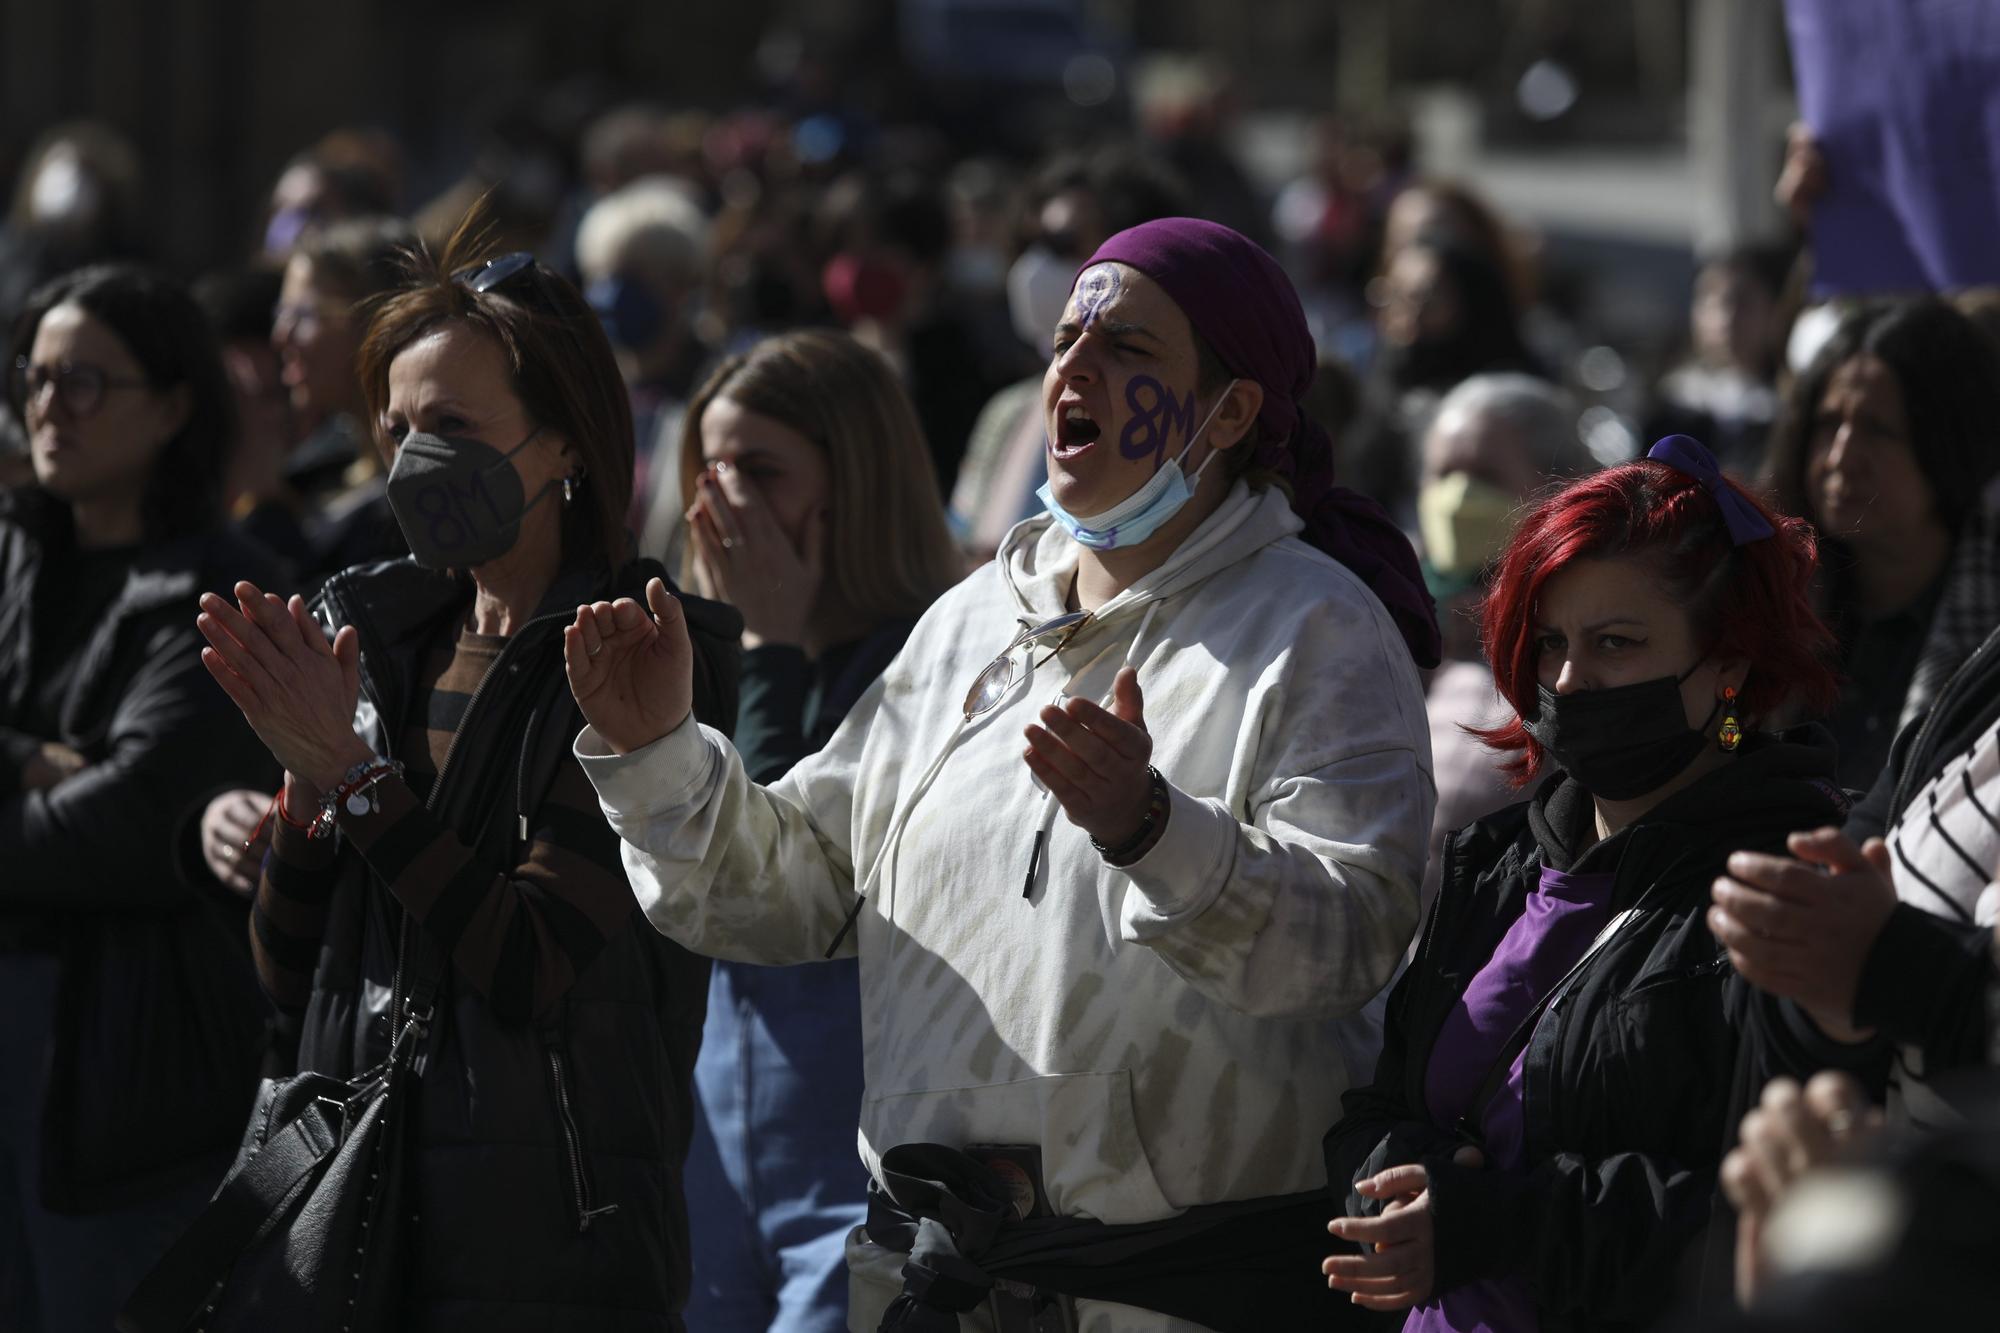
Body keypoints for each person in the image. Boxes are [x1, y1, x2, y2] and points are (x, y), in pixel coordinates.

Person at [567, 217, 1441, 1331]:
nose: (1074, 367)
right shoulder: (974, 622)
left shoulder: (1315, 627)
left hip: (1180, 1295)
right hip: (945, 1284)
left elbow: (1349, 939)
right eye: (1067, 338)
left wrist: (1152, 829)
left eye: (1128, 349)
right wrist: (657, 756)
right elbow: (795, 889)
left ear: (1229, 411)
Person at [191, 226, 740, 1329]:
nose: (411, 461)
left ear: (564, 444)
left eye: (451, 426)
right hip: (359, 1212)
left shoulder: (639, 651)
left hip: (545, 1241)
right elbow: (295, 972)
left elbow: (530, 961)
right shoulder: (381, 633)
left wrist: (353, 781)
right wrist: (304, 802)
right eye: (396, 429)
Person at [1322, 435, 1872, 1331]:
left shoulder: (1790, 890)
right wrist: (1393, 1174)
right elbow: (1381, 1104)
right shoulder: (1495, 861)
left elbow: (1783, 1217)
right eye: (1550, 644)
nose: (1570, 679)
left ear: (1728, 665)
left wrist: (1509, 1225)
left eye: (1616, 642)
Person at [0, 264, 283, 1331]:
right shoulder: (12, 556)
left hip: (122, 1094)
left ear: (172, 405)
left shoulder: (225, 594)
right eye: (33, 378)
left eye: (84, 382)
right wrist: (32, 755)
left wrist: (64, 785)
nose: (45, 407)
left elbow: (124, 827)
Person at [673, 328, 961, 1331]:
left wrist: (773, 647)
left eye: (760, 471)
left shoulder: (931, 663)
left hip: (853, 1161)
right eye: (706, 470)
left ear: (855, 483)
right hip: (712, 1152)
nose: (724, 503)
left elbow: (763, 868)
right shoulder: (690, 659)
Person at [1762, 298, 2000, 790]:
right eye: (1829, 424)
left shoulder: (1987, 636)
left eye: (1878, 430)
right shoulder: (1768, 600)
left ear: (1949, 445)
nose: (1841, 457)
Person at [1414, 373, 1594, 919]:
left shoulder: (1576, 637)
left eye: (1484, 477)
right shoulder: (1388, 601)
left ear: (1557, 485)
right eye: (1444, 474)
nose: (1456, 499)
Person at [271, 214, 418, 584]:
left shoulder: (421, 497)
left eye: (302, 314)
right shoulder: (317, 471)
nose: (280, 335)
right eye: (281, 314)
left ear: (377, 322)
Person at [1643, 244, 1794, 479]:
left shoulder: (1785, 406)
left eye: (1743, 302)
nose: (1728, 318)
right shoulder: (1672, 402)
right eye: (1713, 301)